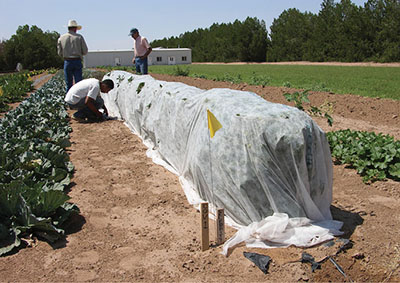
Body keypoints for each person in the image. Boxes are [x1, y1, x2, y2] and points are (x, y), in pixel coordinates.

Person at [58, 20, 88, 92]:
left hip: (67, 61)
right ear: (75, 28)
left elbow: (59, 53)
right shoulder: (79, 37)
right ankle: (79, 100)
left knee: (69, 84)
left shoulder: (61, 38)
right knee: (79, 84)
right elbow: (85, 51)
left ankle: (69, 100)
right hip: (77, 61)